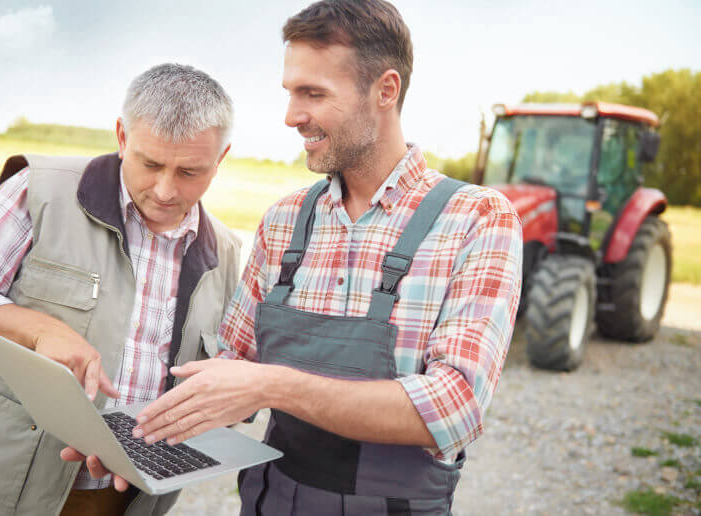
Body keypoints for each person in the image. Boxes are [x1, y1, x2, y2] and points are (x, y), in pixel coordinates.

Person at [82, 1, 522, 514]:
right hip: (271, 501)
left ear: (385, 90)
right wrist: (134, 439)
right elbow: (230, 373)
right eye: (291, 93)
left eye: (313, 94)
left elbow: (453, 408)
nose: (292, 116)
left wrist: (273, 385)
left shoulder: (476, 219)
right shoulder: (286, 219)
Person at [0, 63, 240, 516]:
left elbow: (227, 375)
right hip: (3, 488)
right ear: (121, 135)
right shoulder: (41, 191)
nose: (165, 190)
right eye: (150, 163)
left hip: (126, 498)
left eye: (190, 172)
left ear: (222, 158)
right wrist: (37, 330)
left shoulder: (229, 253)